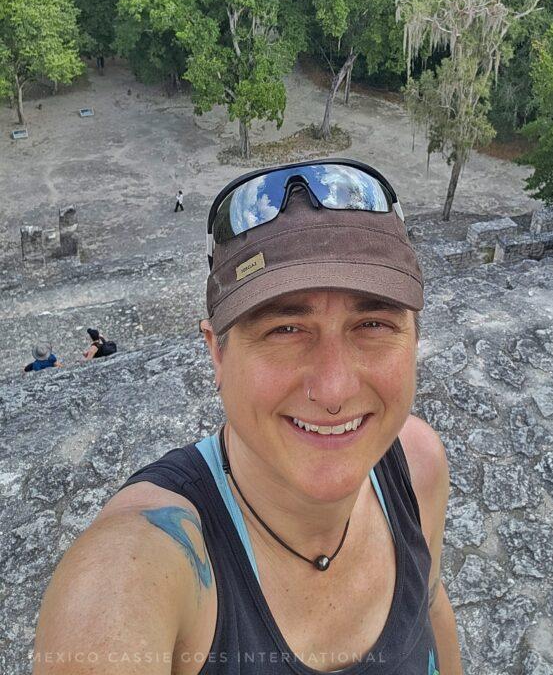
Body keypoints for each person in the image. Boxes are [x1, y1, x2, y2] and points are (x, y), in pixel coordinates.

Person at [32, 159, 463, 674]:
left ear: (415, 338)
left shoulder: (417, 464)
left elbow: (430, 604)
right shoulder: (140, 563)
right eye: (285, 330)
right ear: (217, 353)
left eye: (372, 324)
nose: (333, 390)